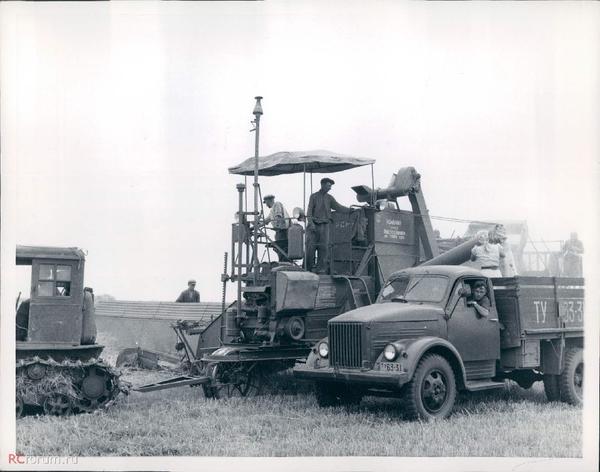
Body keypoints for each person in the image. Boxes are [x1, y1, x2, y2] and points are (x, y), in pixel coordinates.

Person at [306, 177, 354, 273]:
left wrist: (349, 210)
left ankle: (321, 270)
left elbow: (338, 207)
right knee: (310, 248)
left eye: (330, 186)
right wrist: (311, 224)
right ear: (322, 185)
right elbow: (309, 211)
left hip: (325, 226)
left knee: (324, 248)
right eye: (328, 185)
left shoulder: (329, 198)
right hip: (314, 226)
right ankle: (307, 269)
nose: (330, 188)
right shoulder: (314, 196)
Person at [263, 194, 290, 261]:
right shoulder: (272, 210)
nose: (266, 205)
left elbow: (278, 216)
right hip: (279, 232)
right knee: (279, 249)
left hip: (283, 231)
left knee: (282, 248)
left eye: (266, 203)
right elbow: (266, 220)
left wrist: (277, 226)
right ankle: (282, 261)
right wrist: (256, 224)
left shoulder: (277, 204)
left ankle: (284, 262)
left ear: (269, 200)